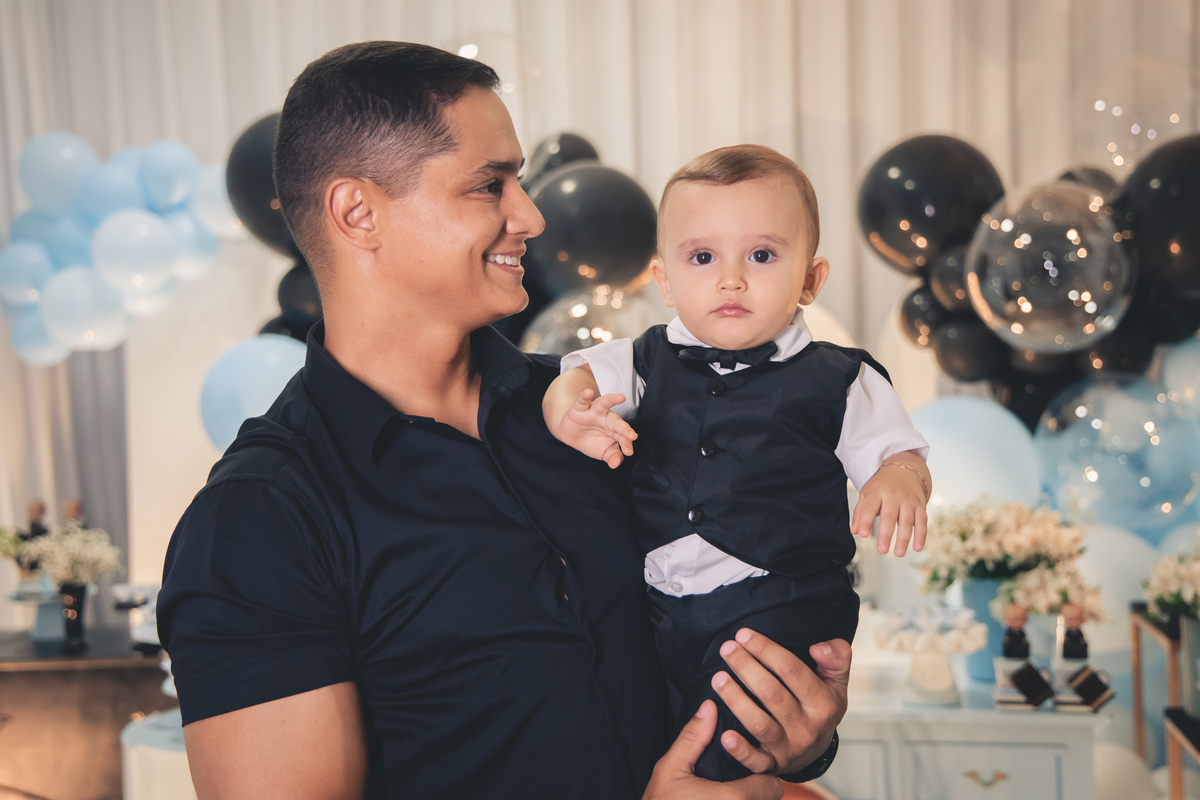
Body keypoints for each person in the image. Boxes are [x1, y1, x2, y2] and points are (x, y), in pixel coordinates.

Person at [158, 42, 852, 800]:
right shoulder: (258, 520)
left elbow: (737, 614)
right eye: (490, 186)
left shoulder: (603, 408)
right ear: (359, 213)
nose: (531, 214)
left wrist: (794, 731)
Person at [542, 144, 932, 780]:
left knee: (721, 748)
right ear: (664, 280)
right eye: (702, 257)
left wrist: (898, 478)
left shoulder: (841, 378)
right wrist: (569, 408)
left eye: (762, 255)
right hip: (660, 608)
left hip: (779, 601)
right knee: (646, 736)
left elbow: (898, 451)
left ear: (810, 279)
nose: (731, 279)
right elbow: (573, 378)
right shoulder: (641, 359)